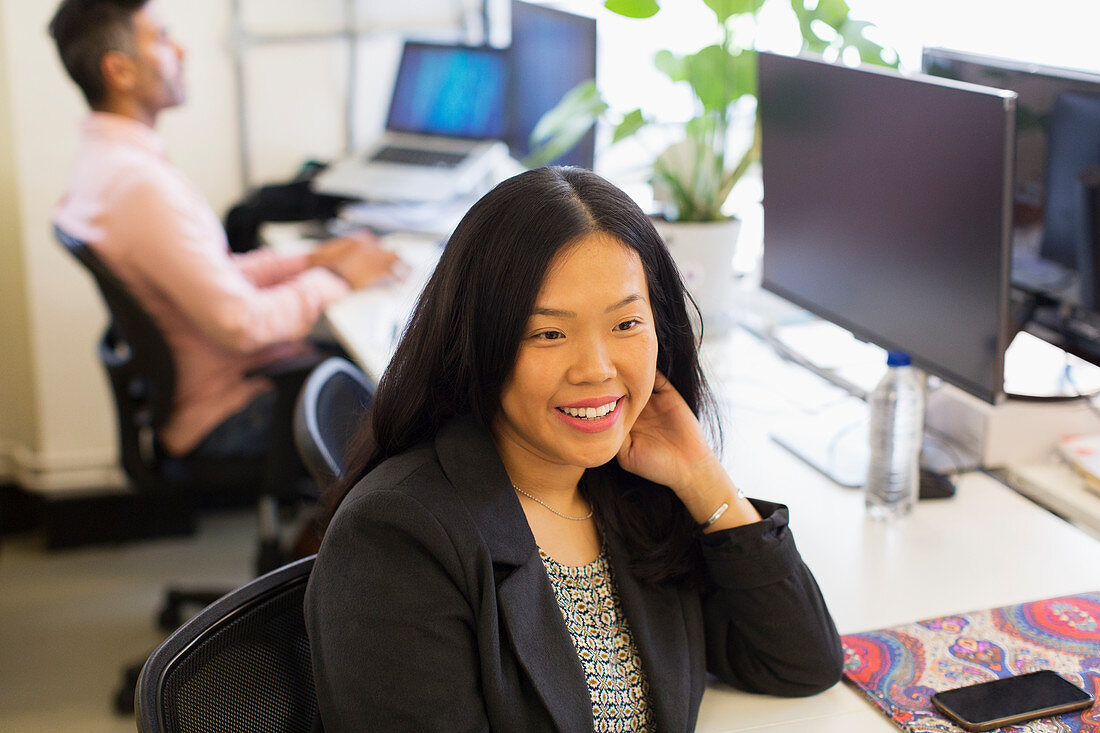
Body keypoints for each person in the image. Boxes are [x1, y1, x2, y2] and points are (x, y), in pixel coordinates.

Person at [305, 166, 844, 732]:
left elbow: (799, 662)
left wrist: (701, 476)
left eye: (627, 323)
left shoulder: (630, 491)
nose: (597, 368)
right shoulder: (397, 538)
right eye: (549, 334)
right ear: (479, 343)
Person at [48, 0, 401, 458]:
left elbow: (216, 273)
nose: (181, 49)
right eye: (160, 39)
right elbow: (243, 323)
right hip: (232, 406)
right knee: (417, 404)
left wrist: (313, 259)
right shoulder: (137, 186)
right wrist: (340, 278)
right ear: (120, 71)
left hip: (226, 383)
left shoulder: (104, 164)